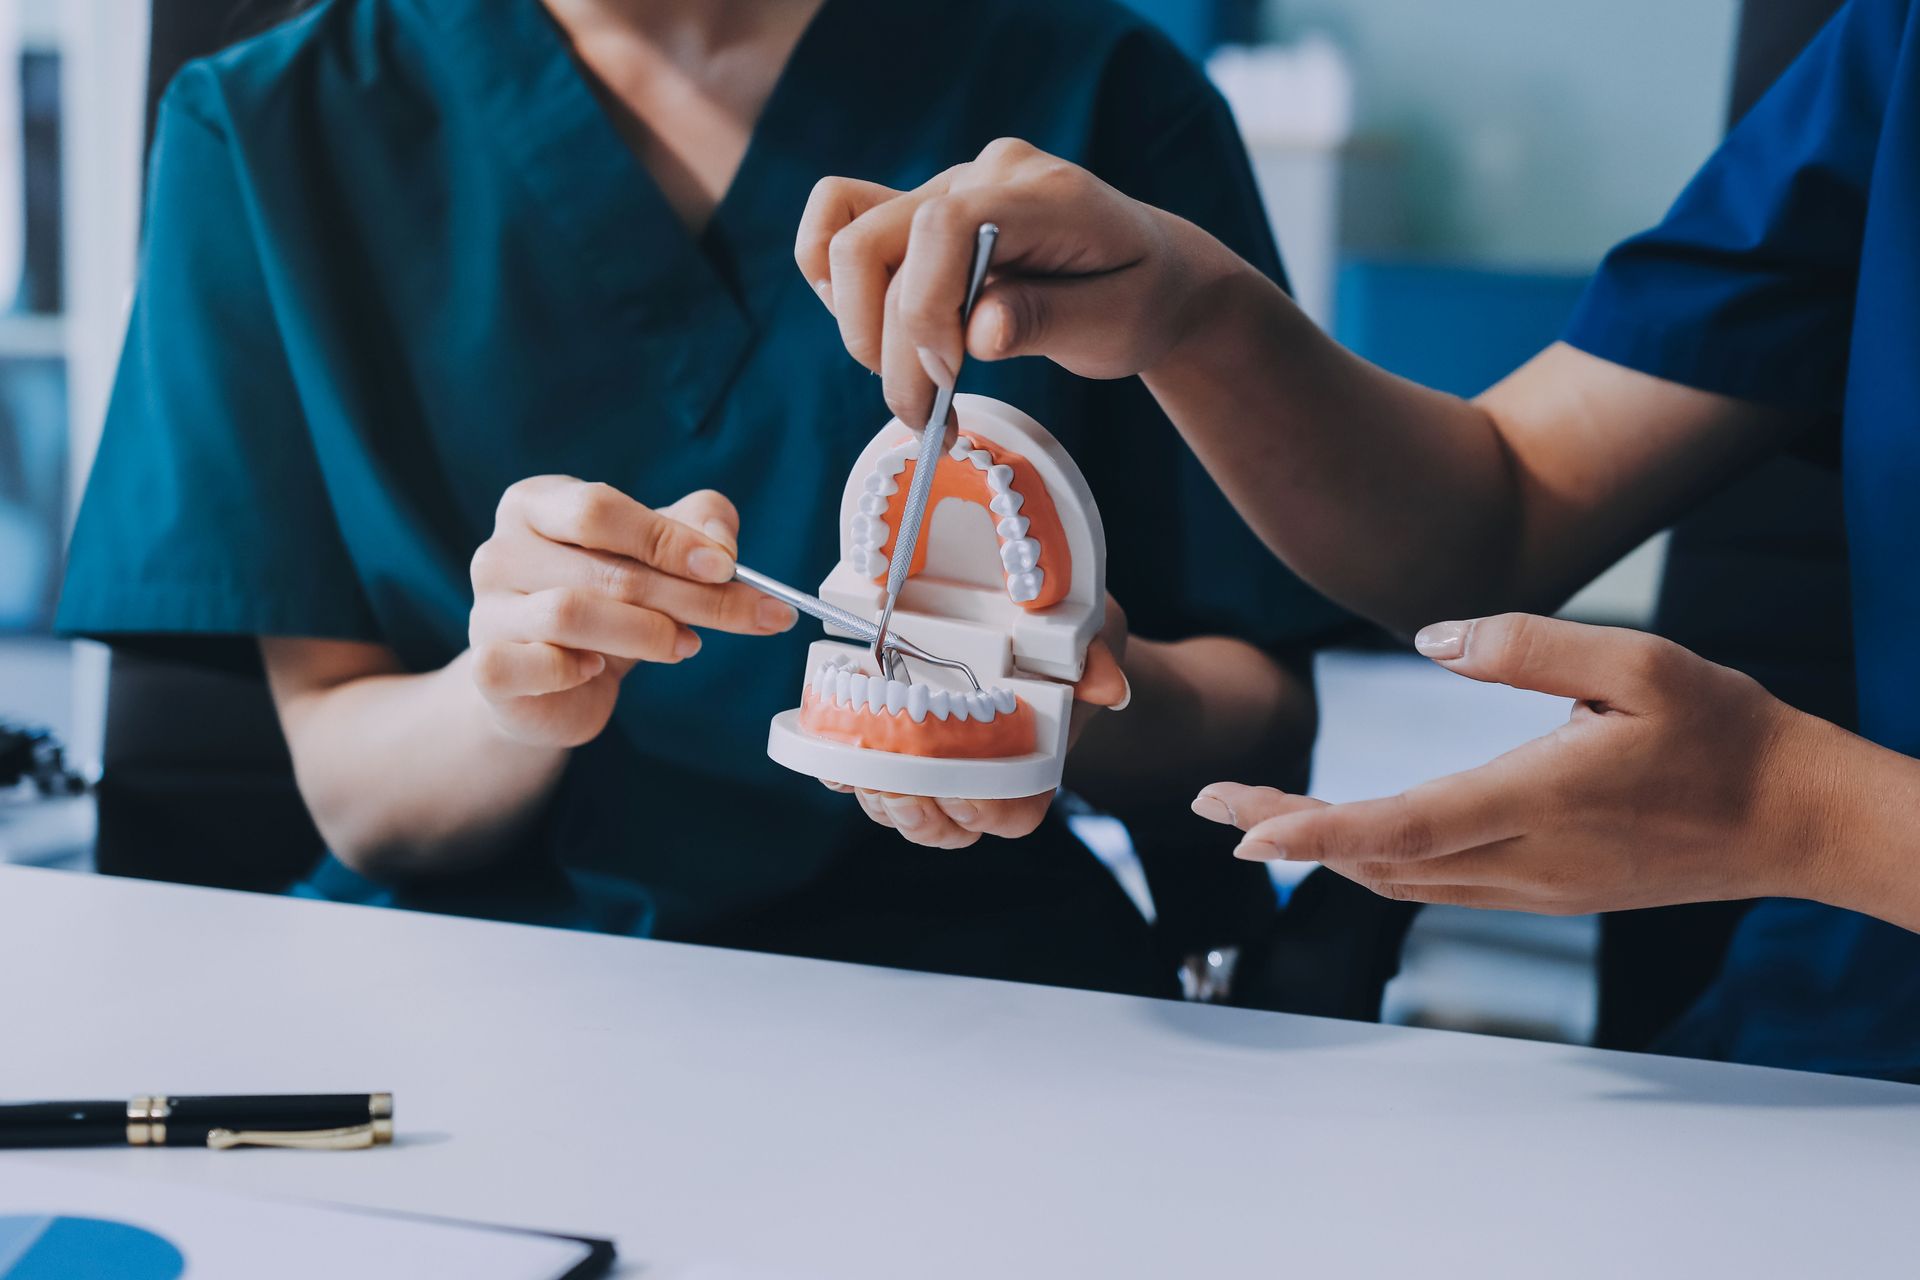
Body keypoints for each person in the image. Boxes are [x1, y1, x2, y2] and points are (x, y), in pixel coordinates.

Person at [56, 0, 1348, 998]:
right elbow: (357, 792)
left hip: (981, 1003)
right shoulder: (269, 126)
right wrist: (507, 693)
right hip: (482, 1001)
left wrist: (1060, 700)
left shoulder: (1099, 103)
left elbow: (1262, 734)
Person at [802, 0, 1920, 1076]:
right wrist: (1187, 308)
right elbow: (1507, 511)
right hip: (1828, 1057)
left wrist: (1807, 813)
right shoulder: (1889, 42)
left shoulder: (1096, 66)